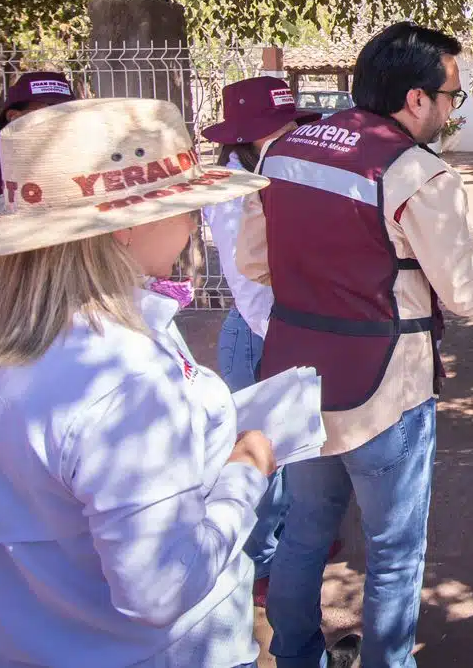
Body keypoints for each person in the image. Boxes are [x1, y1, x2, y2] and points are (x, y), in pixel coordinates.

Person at [237, 23, 473, 668]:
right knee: (394, 552)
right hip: (386, 389)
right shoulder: (418, 173)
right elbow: (468, 292)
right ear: (416, 99)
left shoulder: (282, 152)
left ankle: (297, 655)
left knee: (305, 533)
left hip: (296, 382)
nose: (456, 108)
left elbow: (255, 265)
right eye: (452, 93)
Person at [0, 97, 276, 668]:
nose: (195, 224)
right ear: (125, 229)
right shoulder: (123, 379)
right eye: (186, 207)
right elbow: (162, 589)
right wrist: (246, 471)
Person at [200, 76, 320, 603]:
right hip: (261, 334)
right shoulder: (231, 189)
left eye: (293, 125)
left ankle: (291, 543)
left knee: (294, 449)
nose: (291, 136)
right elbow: (248, 282)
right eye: (280, 130)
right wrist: (289, 341)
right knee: (261, 459)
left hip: (287, 329)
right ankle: (260, 565)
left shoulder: (277, 170)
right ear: (247, 137)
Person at [0, 71, 77, 287]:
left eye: (67, 114)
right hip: (13, 307)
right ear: (15, 118)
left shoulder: (85, 172)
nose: (60, 123)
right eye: (49, 113)